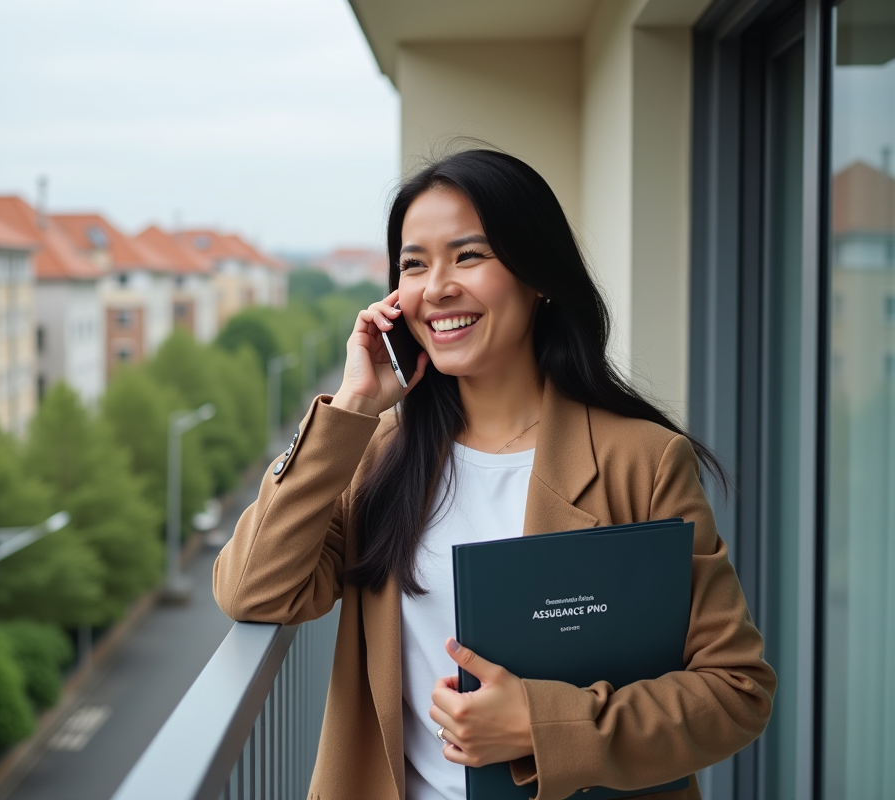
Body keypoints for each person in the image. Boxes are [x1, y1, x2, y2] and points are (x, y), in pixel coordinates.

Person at [212, 149, 775, 800]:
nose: (437, 287)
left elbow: (736, 692)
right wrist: (352, 408)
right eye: (414, 264)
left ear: (540, 276)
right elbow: (252, 590)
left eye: (469, 256)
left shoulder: (640, 463)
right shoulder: (377, 457)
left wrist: (543, 726)